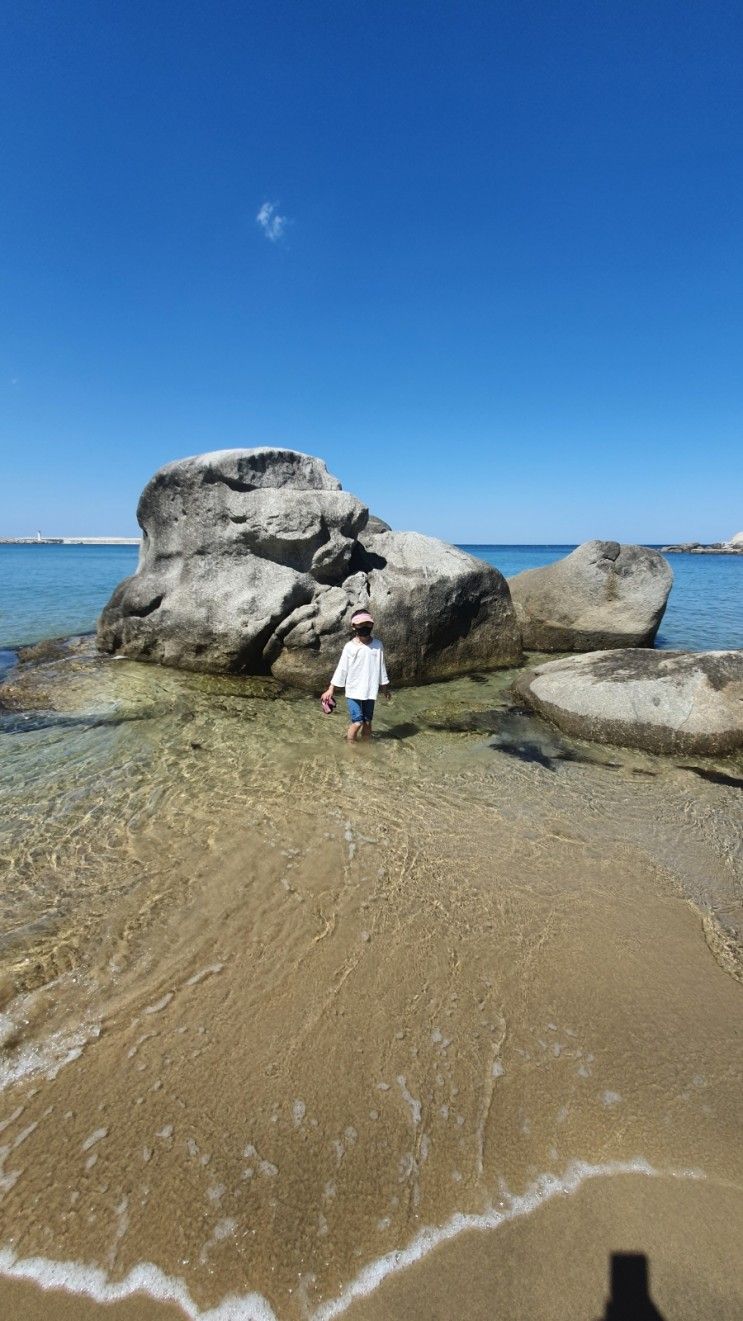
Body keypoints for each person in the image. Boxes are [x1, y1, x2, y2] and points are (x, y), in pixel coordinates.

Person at [321, 609, 390, 742]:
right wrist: (331, 688)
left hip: (370, 690)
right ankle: (351, 748)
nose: (364, 627)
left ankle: (366, 747)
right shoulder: (349, 647)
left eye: (368, 624)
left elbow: (381, 667)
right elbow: (341, 668)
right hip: (353, 691)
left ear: (372, 625)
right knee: (357, 721)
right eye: (360, 625)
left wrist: (385, 688)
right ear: (353, 627)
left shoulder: (377, 645)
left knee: (368, 722)